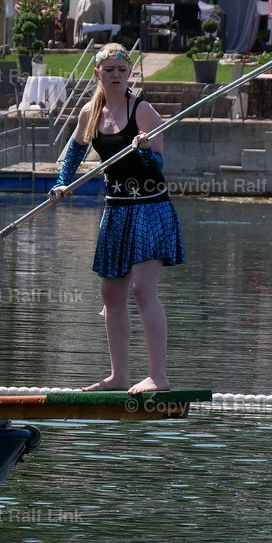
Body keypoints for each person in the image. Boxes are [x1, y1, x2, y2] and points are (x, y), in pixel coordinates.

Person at [48, 43, 184, 395]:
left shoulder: (143, 111)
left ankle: (158, 375)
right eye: (109, 70)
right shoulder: (90, 114)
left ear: (129, 73)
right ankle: (118, 376)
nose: (116, 75)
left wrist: (144, 150)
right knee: (110, 294)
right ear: (98, 74)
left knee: (142, 290)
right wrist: (62, 184)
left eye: (122, 70)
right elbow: (73, 154)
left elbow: (157, 167)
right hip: (116, 209)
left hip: (150, 208)